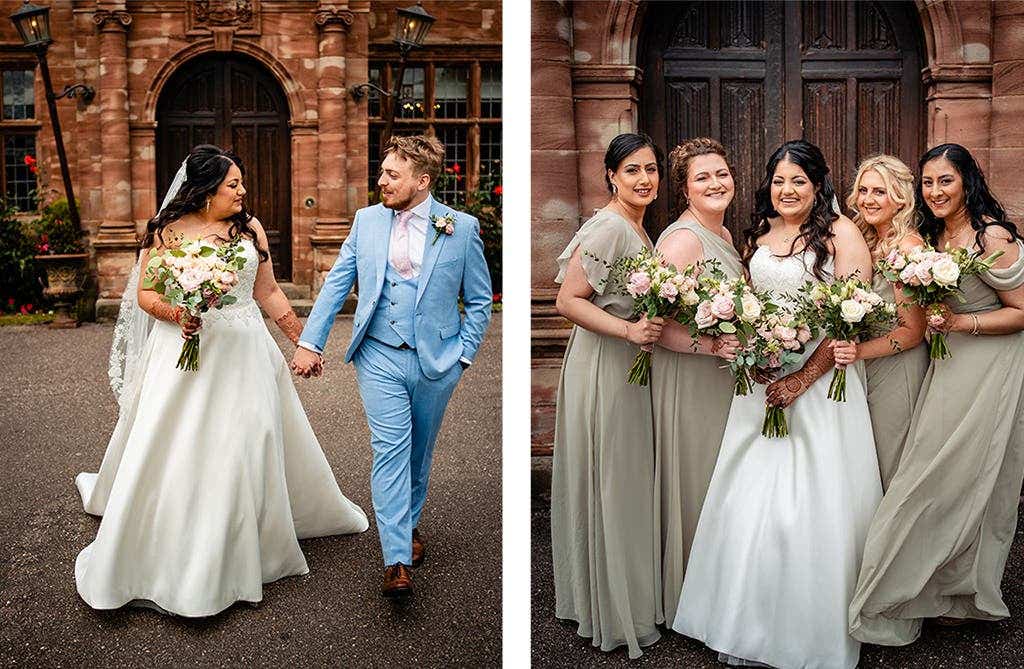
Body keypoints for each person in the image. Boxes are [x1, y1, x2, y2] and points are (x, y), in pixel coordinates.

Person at [77, 145, 368, 617]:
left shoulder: (248, 229)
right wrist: (179, 313)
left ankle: (242, 541)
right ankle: (180, 540)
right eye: (233, 184)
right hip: (183, 351)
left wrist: (302, 341)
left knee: (248, 438)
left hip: (245, 349)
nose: (242, 191)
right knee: (182, 442)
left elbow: (268, 290)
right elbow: (147, 293)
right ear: (206, 190)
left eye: (241, 183)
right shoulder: (167, 232)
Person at [672, 140, 881, 669]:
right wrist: (757, 351)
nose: (787, 191)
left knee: (811, 506)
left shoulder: (842, 234)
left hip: (821, 386)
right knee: (749, 500)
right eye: (780, 181)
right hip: (761, 379)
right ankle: (745, 615)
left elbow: (846, 319)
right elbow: (750, 303)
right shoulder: (759, 234)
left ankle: (811, 627)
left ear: (818, 186)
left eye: (799, 182)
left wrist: (801, 380)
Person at [291, 134, 492, 599]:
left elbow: (480, 300)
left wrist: (462, 355)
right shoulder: (366, 222)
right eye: (382, 172)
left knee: (418, 454)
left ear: (422, 181)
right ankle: (396, 558)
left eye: (392, 175)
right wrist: (310, 342)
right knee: (390, 449)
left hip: (436, 361)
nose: (381, 181)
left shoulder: (459, 227)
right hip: (377, 353)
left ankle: (409, 523)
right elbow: (338, 281)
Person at [849, 143, 1024, 644]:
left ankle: (940, 589)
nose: (935, 191)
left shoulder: (991, 236)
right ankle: (946, 589)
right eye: (927, 182)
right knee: (951, 474)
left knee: (975, 471)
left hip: (991, 360)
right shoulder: (931, 235)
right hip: (947, 362)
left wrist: (962, 322)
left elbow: (1021, 309)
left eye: (944, 180)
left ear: (967, 180)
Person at [550, 132, 665, 659]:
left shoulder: (637, 228)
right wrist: (628, 333)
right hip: (605, 360)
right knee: (613, 478)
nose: (644, 180)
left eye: (651, 170)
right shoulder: (610, 227)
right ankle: (615, 607)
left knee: (620, 478)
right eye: (632, 170)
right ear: (611, 177)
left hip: (624, 363)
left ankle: (622, 592)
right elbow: (568, 300)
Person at [650, 137, 741, 627]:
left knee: (715, 483)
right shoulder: (683, 240)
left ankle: (711, 595)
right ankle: (685, 600)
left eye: (721, 174)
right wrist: (712, 347)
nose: (715, 183)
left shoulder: (724, 236)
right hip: (689, 379)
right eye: (702, 177)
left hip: (717, 378)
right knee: (694, 482)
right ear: (685, 189)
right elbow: (656, 327)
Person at [832, 155, 927, 490]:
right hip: (869, 363)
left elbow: (913, 331)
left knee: (891, 461)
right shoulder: (865, 238)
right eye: (863, 190)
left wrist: (856, 352)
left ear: (899, 197)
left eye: (880, 192)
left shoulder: (907, 247)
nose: (868, 199)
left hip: (897, 365)